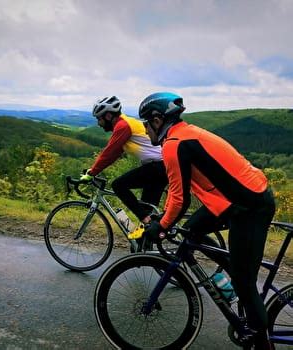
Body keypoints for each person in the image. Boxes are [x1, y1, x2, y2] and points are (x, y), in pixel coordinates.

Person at [139, 92, 276, 350]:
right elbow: (177, 194)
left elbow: (179, 200)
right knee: (191, 230)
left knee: (244, 282)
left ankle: (260, 342)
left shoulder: (174, 144)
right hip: (232, 201)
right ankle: (230, 265)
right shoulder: (183, 134)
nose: (145, 131)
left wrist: (160, 226)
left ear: (157, 120)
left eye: (146, 124)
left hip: (249, 206)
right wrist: (165, 219)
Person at [80, 95, 168, 232]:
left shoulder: (123, 125)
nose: (98, 123)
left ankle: (146, 222)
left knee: (118, 185)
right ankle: (146, 242)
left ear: (108, 116)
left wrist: (92, 173)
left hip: (158, 167)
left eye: (99, 118)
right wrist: (95, 169)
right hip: (161, 167)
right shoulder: (126, 123)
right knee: (147, 209)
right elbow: (115, 154)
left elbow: (109, 152)